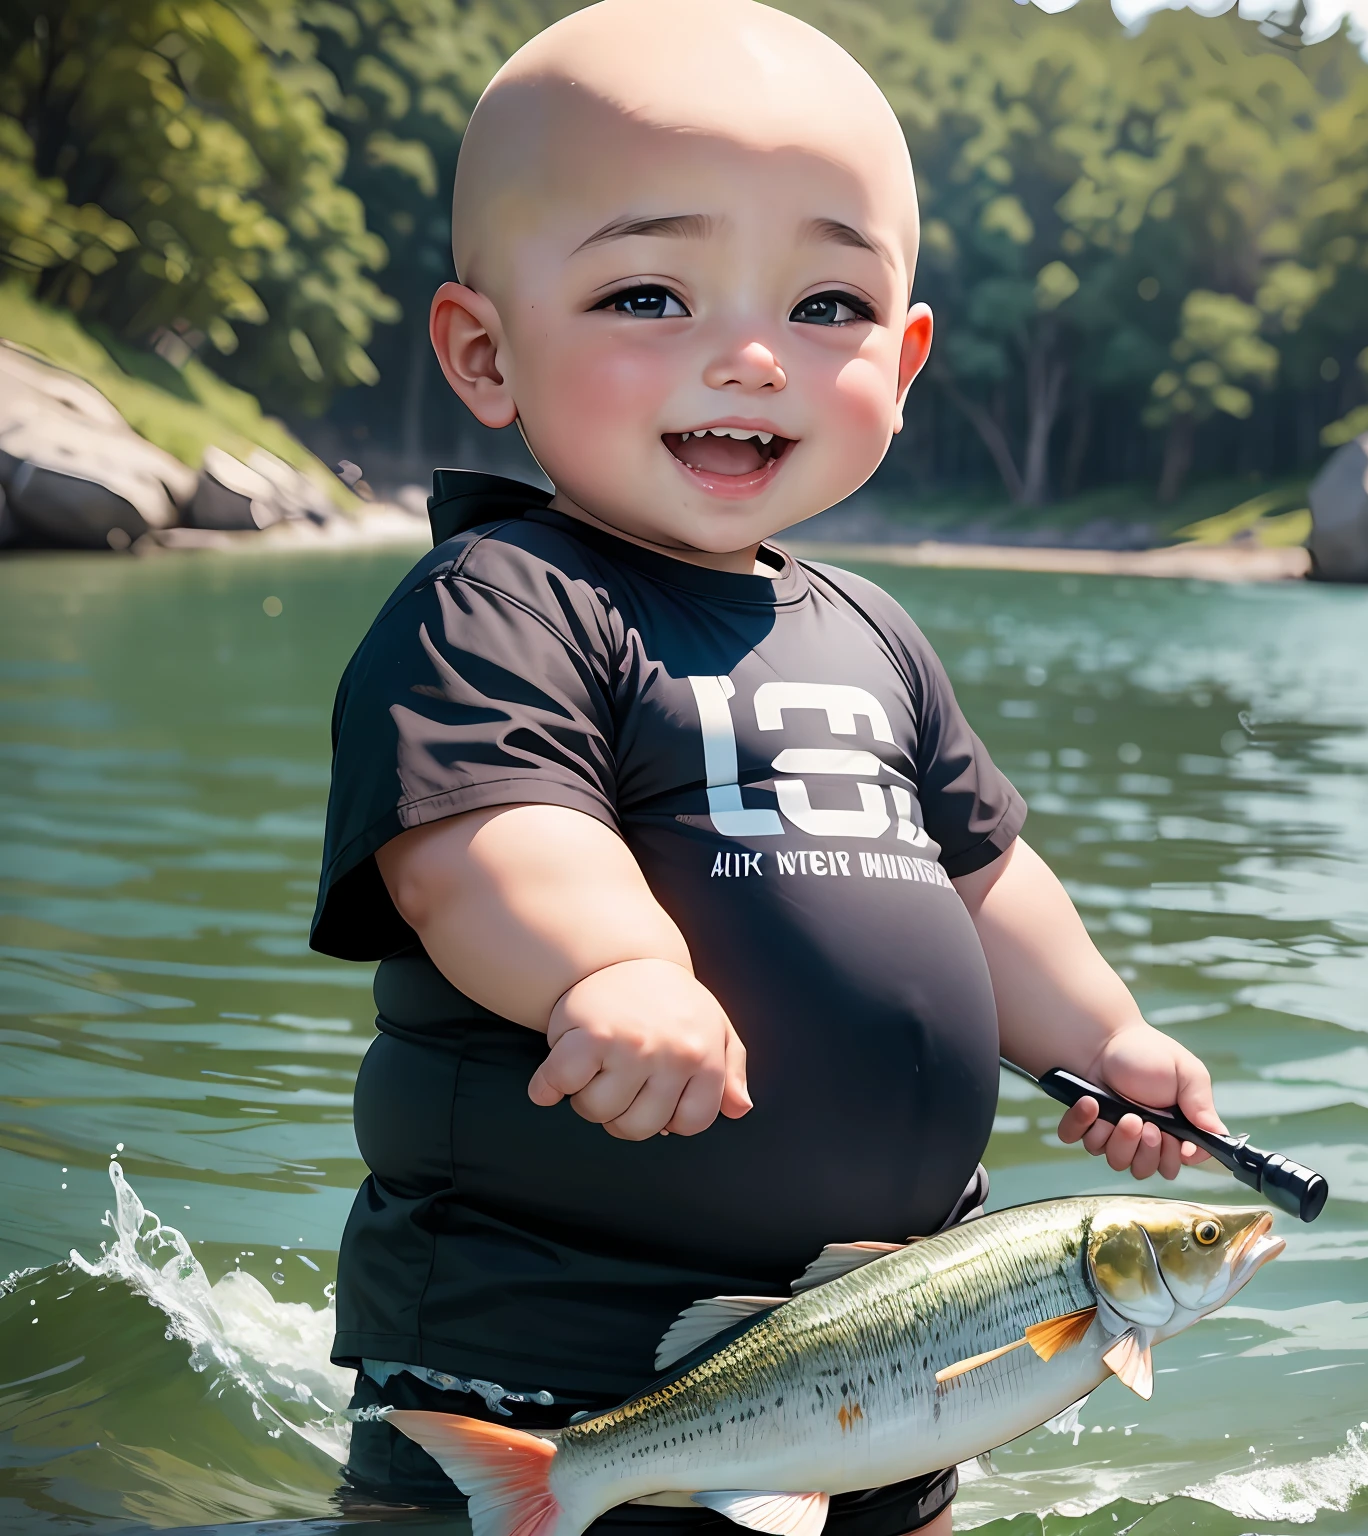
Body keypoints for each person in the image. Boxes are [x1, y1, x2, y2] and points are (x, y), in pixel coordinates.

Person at [309, 2, 1226, 1529]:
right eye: (652, 292)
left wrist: (1107, 1035)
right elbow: (478, 837)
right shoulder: (508, 602)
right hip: (549, 1371)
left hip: (895, 1372)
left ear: (908, 355)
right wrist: (610, 968)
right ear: (483, 349)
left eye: (826, 307)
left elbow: (984, 880)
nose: (750, 358)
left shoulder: (873, 633)